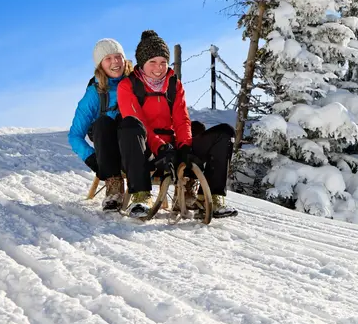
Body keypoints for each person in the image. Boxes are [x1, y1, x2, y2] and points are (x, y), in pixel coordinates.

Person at [117, 29, 238, 219]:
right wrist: (161, 147)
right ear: (141, 63)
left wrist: (184, 147)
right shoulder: (128, 85)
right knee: (131, 126)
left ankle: (210, 199)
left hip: (172, 147)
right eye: (153, 62)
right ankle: (141, 196)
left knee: (224, 133)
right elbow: (138, 122)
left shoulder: (174, 84)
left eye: (163, 62)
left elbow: (182, 119)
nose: (159, 68)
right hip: (143, 149)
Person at [69, 38, 133, 211]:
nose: (115, 62)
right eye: (108, 58)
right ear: (100, 65)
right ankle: (113, 186)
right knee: (103, 122)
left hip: (135, 145)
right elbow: (75, 135)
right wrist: (93, 160)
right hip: (109, 147)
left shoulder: (137, 82)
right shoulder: (95, 92)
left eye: (118, 56)